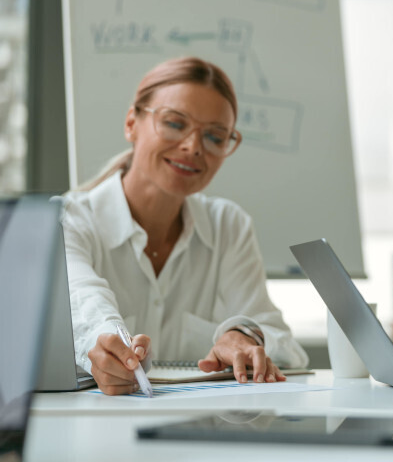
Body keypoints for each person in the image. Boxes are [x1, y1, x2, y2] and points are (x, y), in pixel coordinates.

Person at [62, 56, 308, 396]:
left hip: (199, 432)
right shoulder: (68, 220)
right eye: (175, 124)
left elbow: (284, 344)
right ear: (132, 123)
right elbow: (85, 305)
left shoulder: (228, 226)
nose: (193, 147)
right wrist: (105, 345)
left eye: (214, 136)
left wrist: (244, 336)